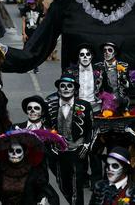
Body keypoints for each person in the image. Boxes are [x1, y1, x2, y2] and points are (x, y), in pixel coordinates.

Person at [45, 74, 93, 205]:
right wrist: (51, 145)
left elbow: (91, 129)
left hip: (77, 151)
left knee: (77, 185)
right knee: (63, 183)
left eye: (69, 86)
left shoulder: (85, 106)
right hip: (58, 153)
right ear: (59, 89)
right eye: (63, 86)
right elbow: (46, 127)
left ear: (75, 89)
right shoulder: (50, 105)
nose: (66, 89)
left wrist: (86, 145)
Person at [0, 129, 58, 205]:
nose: (14, 154)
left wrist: (42, 198)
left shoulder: (33, 172)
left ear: (24, 153)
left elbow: (42, 189)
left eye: (18, 151)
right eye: (11, 151)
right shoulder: (1, 171)